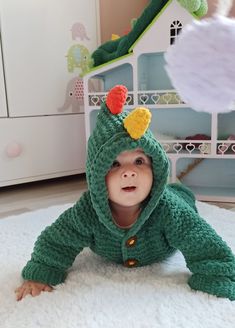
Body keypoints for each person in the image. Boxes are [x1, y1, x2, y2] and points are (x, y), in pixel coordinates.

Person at [15, 85, 235, 301]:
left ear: (155, 168)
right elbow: (57, 240)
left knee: (182, 199)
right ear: (97, 176)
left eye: (139, 161)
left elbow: (200, 239)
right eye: (114, 164)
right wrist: (42, 271)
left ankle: (179, 191)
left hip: (174, 201)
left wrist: (216, 275)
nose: (129, 172)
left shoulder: (169, 208)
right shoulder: (87, 210)